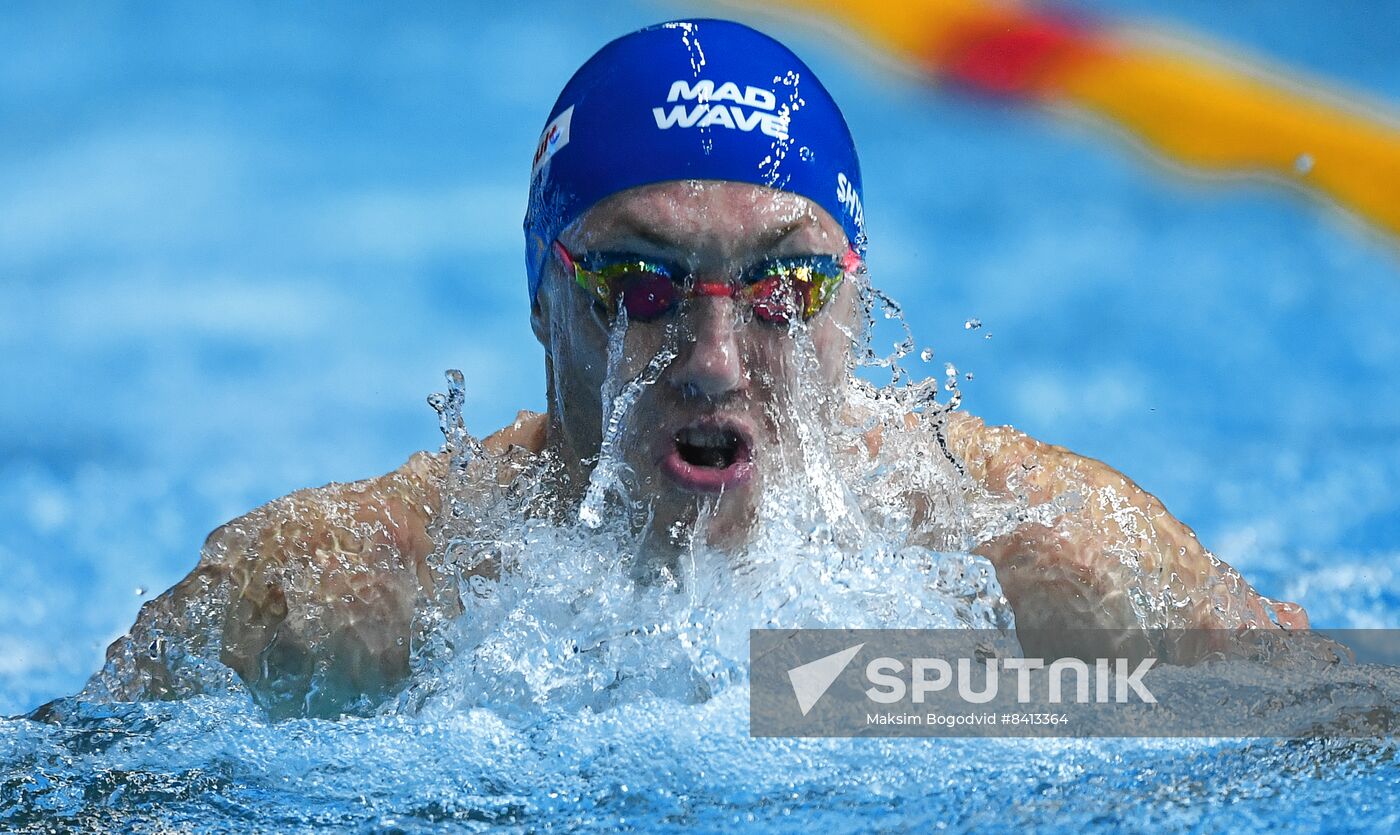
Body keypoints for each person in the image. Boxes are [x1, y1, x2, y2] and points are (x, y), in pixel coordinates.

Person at [88, 19, 1309, 717]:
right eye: (640, 286)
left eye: (783, 286)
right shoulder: (354, 599)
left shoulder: (1035, 562)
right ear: (540, 295)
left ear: (858, 302)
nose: (713, 361)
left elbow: (1335, 718)